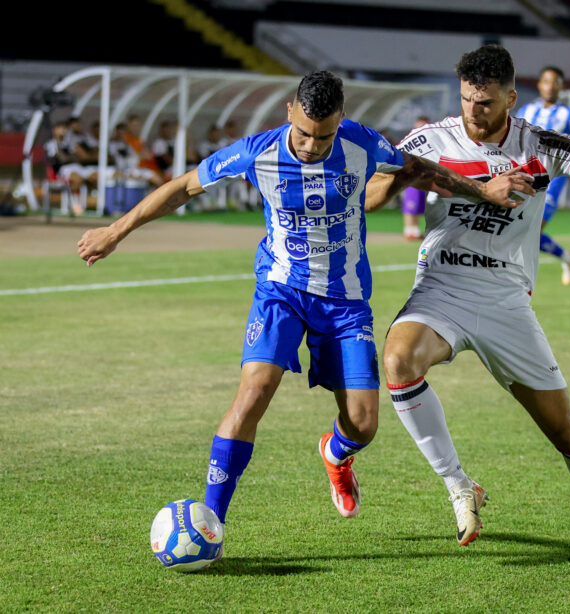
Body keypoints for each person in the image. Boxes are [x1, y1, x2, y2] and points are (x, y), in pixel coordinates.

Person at [77, 70, 527, 556]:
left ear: (341, 122)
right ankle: (210, 525)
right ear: (289, 111)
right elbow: (184, 187)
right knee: (254, 392)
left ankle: (335, 454)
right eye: (306, 132)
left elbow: (417, 168)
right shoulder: (258, 151)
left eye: (325, 134)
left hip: (345, 301)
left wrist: (483, 192)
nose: (313, 145)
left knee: (363, 424)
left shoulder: (360, 143)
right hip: (281, 289)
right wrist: (115, 231)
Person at [365, 45, 570, 547]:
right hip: (442, 289)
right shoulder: (430, 139)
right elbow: (367, 198)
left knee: (562, 429)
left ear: (510, 99)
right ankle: (459, 485)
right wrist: (400, 178)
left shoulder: (539, 145)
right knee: (397, 359)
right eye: (467, 100)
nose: (473, 112)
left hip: (505, 300)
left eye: (485, 103)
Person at [517, 66, 570, 285]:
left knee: (531, 229)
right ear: (539, 84)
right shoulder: (526, 111)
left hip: (553, 181)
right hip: (525, 177)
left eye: (556, 82)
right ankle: (566, 257)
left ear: (562, 86)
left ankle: (520, 284)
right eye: (546, 81)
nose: (551, 86)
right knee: (521, 230)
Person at [401, 116, 430, 240]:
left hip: (423, 177)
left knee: (419, 204)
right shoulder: (409, 141)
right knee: (411, 203)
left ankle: (415, 230)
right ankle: (409, 230)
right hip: (411, 177)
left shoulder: (430, 141)